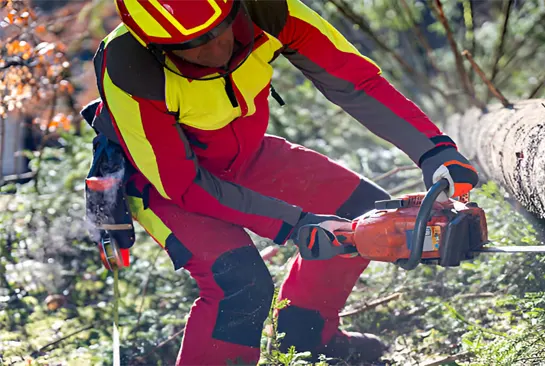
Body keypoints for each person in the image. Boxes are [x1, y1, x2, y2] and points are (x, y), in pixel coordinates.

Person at [85, 0, 479, 364]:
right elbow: (182, 183)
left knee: (360, 213)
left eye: (218, 29)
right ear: (153, 44)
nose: (213, 49)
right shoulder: (127, 65)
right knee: (239, 282)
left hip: (247, 155)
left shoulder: (270, 10)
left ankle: (307, 343)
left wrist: (434, 150)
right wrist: (295, 223)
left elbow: (355, 81)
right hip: (164, 183)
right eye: (189, 45)